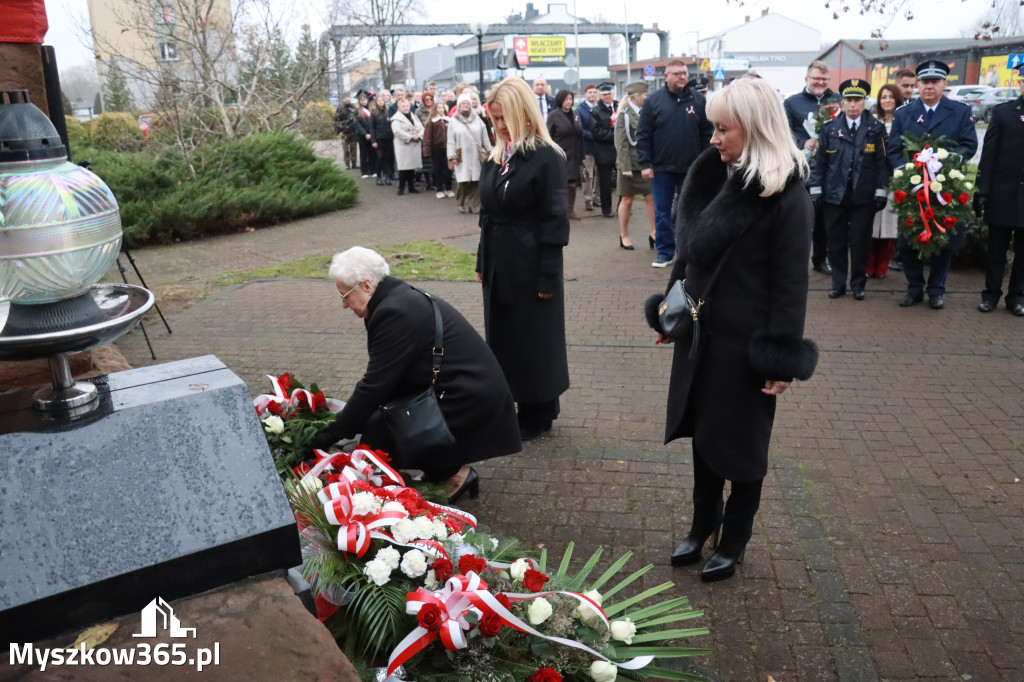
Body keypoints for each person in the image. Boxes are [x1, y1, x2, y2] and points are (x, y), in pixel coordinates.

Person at [647, 76, 818, 582]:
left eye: (723, 129)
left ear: (756, 127)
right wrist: (670, 313)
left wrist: (779, 358)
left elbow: (790, 286)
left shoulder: (786, 197)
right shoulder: (710, 174)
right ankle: (703, 525)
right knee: (704, 436)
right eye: (713, 127)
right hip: (701, 336)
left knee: (742, 447)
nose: (714, 138)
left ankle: (734, 538)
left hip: (747, 346)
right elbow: (689, 254)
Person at [308, 247, 521, 501]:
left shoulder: (395, 311)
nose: (344, 304)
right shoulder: (393, 298)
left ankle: (455, 475)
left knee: (382, 435)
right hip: (458, 386)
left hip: (468, 395)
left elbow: (375, 384)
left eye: (345, 295)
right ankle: (442, 470)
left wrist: (335, 432)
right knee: (381, 422)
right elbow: (387, 379)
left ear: (366, 285)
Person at [477, 76, 570, 441]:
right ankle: (520, 401)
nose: (499, 126)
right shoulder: (497, 156)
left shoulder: (546, 157)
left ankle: (539, 408)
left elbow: (555, 219)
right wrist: (483, 262)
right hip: (500, 260)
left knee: (535, 339)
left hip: (531, 262)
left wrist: (549, 274)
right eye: (494, 119)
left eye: (504, 118)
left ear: (522, 114)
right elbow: (486, 216)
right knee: (505, 337)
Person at [887, 60, 978, 310]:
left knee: (943, 238)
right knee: (908, 239)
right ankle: (914, 288)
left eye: (935, 82)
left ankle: (936, 290)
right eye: (925, 82)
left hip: (945, 187)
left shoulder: (959, 111)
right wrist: (904, 170)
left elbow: (969, 145)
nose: (929, 87)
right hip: (913, 186)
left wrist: (946, 163)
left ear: (944, 84)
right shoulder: (903, 113)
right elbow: (894, 148)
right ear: (917, 85)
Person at [809, 79, 890, 300]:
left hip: (863, 196)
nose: (853, 105)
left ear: (864, 102)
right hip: (834, 194)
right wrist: (815, 189)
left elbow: (883, 163)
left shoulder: (876, 129)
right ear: (842, 102)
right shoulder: (829, 128)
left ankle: (858, 284)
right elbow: (819, 162)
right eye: (849, 100)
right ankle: (838, 283)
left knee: (859, 241)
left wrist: (881, 190)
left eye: (857, 100)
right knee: (835, 242)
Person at [636, 59, 714, 267]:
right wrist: (645, 163)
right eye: (677, 73)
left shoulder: (698, 100)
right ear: (666, 76)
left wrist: (705, 162)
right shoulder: (653, 101)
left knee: (688, 211)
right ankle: (665, 252)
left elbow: (707, 134)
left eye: (684, 73)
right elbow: (643, 135)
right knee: (662, 212)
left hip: (691, 168)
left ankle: (686, 251)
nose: (682, 77)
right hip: (661, 168)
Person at [974, 63, 1024, 317]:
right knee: (996, 250)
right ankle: (990, 294)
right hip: (1002, 193)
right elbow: (989, 156)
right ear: (1020, 84)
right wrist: (981, 190)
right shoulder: (1004, 113)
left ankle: (1017, 297)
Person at [785, 60, 841, 276]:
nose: (820, 82)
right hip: (802, 167)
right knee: (800, 215)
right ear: (806, 79)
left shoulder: (837, 101)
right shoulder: (792, 103)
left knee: (825, 216)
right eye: (816, 78)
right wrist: (802, 142)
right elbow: (784, 130)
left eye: (825, 79)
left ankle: (821, 258)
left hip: (830, 166)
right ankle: (793, 260)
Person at [866, 84, 904, 279]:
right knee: (872, 223)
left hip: (896, 179)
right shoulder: (872, 122)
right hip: (874, 178)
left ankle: (882, 265)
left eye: (891, 97)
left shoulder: (904, 121)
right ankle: (868, 264)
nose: (887, 100)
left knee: (890, 223)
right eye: (883, 97)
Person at [614, 80, 655, 250]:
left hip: (645, 163)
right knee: (627, 200)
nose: (648, 97)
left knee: (651, 199)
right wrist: (625, 167)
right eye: (645, 95)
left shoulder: (648, 112)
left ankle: (655, 233)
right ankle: (624, 235)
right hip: (630, 164)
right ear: (637, 96)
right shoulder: (624, 114)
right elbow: (621, 143)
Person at [447, 92, 492, 214]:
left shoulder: (477, 119)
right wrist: (451, 157)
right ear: (459, 105)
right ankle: (462, 202)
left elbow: (485, 137)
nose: (466, 105)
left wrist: (489, 151)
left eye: (468, 103)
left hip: (476, 155)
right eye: (463, 103)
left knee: (476, 181)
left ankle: (475, 204)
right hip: (461, 156)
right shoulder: (453, 121)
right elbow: (450, 141)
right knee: (463, 182)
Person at [546, 89, 584, 220]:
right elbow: (548, 137)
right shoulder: (553, 115)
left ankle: (570, 209)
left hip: (574, 155)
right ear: (560, 100)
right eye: (566, 99)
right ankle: (559, 210)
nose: (568, 102)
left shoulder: (576, 115)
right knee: (561, 183)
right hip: (560, 154)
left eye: (570, 99)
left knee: (572, 183)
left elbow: (580, 135)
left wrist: (582, 156)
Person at [589, 81, 618, 219]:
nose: (608, 97)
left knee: (622, 180)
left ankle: (622, 206)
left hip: (620, 151)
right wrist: (616, 134)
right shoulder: (596, 111)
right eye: (604, 95)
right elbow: (597, 132)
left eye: (610, 94)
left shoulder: (619, 106)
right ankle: (606, 209)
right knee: (605, 183)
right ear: (600, 95)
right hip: (604, 151)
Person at [391, 98, 424, 196]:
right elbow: (397, 131)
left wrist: (419, 135)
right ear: (399, 108)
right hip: (404, 145)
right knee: (404, 168)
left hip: (414, 144)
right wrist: (410, 137)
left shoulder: (414, 116)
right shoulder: (396, 119)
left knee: (411, 168)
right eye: (403, 106)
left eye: (407, 106)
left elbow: (421, 128)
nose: (406, 108)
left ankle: (411, 187)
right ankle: (401, 188)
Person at [423, 100, 455, 199]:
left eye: (442, 107)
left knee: (448, 169)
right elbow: (427, 137)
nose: (441, 109)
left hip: (448, 147)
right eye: (439, 108)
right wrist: (426, 150)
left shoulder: (448, 120)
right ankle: (440, 189)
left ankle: (448, 188)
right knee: (437, 169)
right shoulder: (432, 121)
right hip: (436, 148)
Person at [577, 83, 599, 211]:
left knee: (598, 175)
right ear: (585, 94)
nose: (592, 95)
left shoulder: (600, 108)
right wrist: (595, 136)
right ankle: (588, 200)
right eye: (590, 92)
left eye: (594, 92)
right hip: (587, 147)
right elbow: (580, 129)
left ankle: (597, 198)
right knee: (587, 174)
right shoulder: (580, 110)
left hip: (600, 148)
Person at [370, 94, 395, 186]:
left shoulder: (388, 112)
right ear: (376, 102)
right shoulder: (373, 113)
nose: (381, 102)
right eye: (379, 101)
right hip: (379, 139)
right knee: (380, 158)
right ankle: (378, 176)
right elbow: (371, 128)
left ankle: (387, 176)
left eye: (382, 100)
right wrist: (373, 140)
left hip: (388, 138)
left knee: (388, 158)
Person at [353, 91, 376, 179]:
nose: (363, 101)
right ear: (359, 101)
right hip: (362, 136)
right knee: (363, 153)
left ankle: (373, 170)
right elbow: (357, 124)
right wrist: (365, 133)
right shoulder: (357, 111)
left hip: (372, 134)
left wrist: (371, 133)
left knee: (372, 153)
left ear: (367, 100)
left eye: (365, 99)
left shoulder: (372, 110)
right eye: (361, 100)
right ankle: (364, 171)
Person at [333, 92, 359, 170]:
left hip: (353, 131)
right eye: (346, 97)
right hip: (344, 132)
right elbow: (336, 121)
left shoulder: (354, 108)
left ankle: (354, 163)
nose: (348, 98)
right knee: (346, 149)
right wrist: (339, 131)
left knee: (353, 148)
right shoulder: (340, 109)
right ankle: (347, 164)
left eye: (349, 97)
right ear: (344, 98)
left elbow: (357, 119)